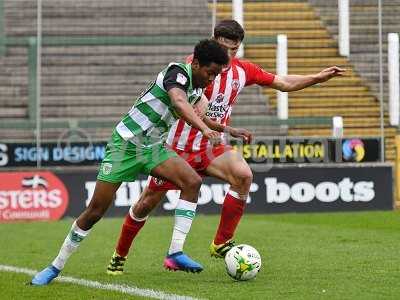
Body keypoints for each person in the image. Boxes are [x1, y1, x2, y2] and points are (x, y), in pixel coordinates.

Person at [105, 19, 345, 276]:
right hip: (175, 148)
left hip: (211, 148)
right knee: (146, 203)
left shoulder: (243, 71)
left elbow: (283, 82)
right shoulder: (195, 66)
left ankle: (221, 242)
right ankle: (119, 255)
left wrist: (317, 78)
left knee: (243, 175)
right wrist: (202, 104)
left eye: (235, 49)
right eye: (225, 48)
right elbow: (184, 99)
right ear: (213, 42)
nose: (229, 55)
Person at [30, 39, 230, 285]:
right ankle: (54, 266)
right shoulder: (177, 73)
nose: (212, 80)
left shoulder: (196, 88)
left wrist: (225, 128)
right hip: (125, 145)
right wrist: (204, 130)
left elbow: (192, 114)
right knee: (95, 211)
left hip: (153, 148)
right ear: (196, 64)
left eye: (216, 76)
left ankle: (175, 252)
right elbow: (178, 102)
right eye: (210, 73)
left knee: (192, 181)